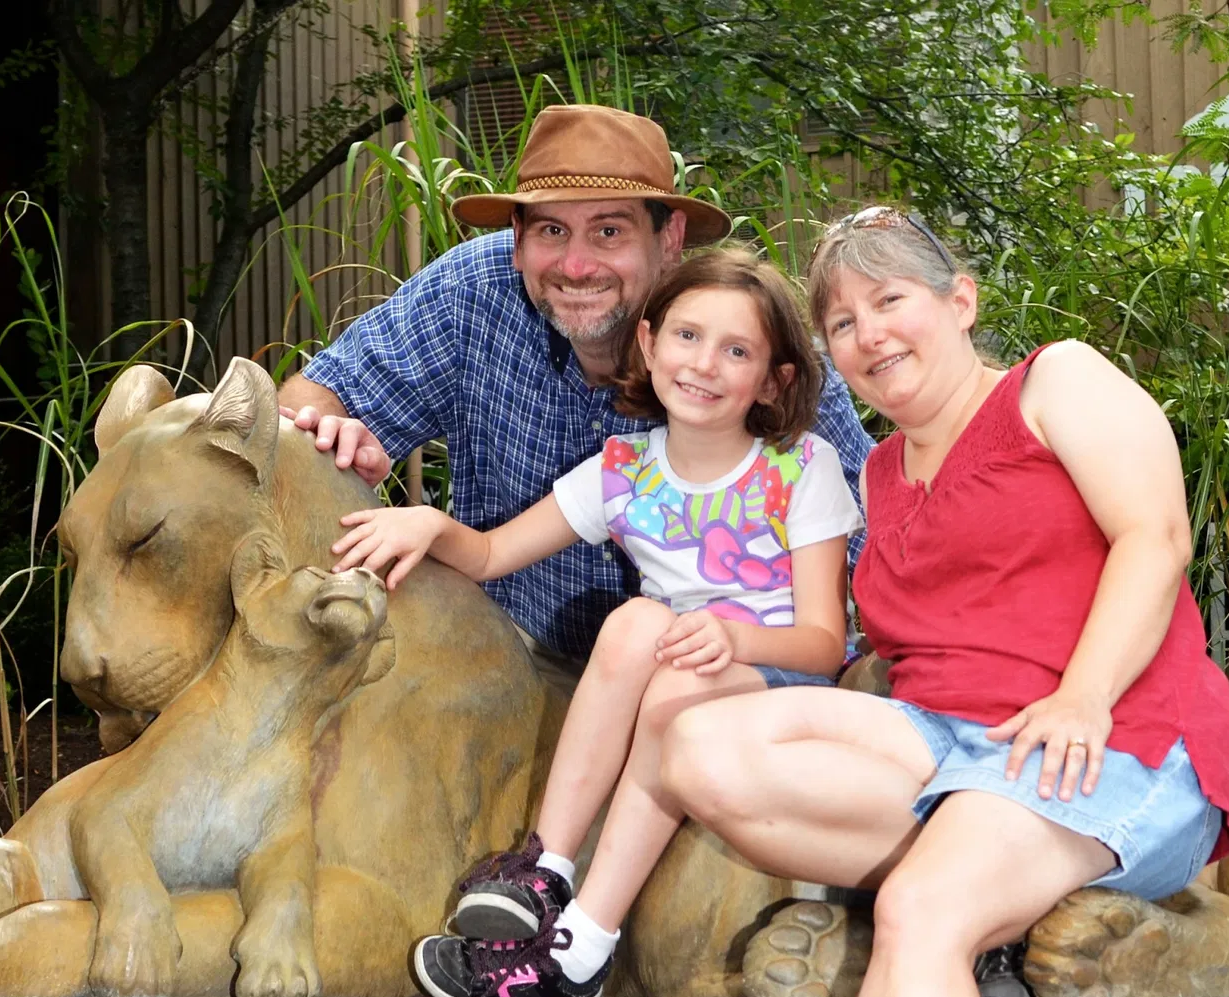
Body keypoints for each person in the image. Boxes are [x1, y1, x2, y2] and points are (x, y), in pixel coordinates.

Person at [652, 207, 1229, 997]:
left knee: (919, 911)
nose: (869, 335)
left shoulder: (1054, 384)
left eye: (889, 300)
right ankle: (980, 887)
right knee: (698, 744)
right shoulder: (878, 472)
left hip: (1109, 741)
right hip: (949, 744)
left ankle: (963, 892)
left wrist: (1083, 697)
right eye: (842, 323)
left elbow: (1156, 538)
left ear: (960, 301)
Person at [333, 250, 863, 997]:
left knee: (674, 673)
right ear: (649, 343)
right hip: (676, 665)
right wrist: (428, 524)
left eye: (736, 351)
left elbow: (823, 642)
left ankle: (583, 947)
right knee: (635, 620)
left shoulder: (800, 466)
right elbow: (492, 554)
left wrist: (735, 638)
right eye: (687, 336)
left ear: (774, 380)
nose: (704, 364)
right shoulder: (622, 471)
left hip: (775, 673)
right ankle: (544, 870)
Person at [276, 104, 873, 679]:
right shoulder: (471, 291)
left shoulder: (752, 350)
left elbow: (871, 547)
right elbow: (311, 401)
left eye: (609, 230)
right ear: (518, 238)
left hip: (723, 675)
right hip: (507, 657)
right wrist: (332, 438)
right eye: (552, 230)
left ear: (669, 238)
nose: (577, 265)